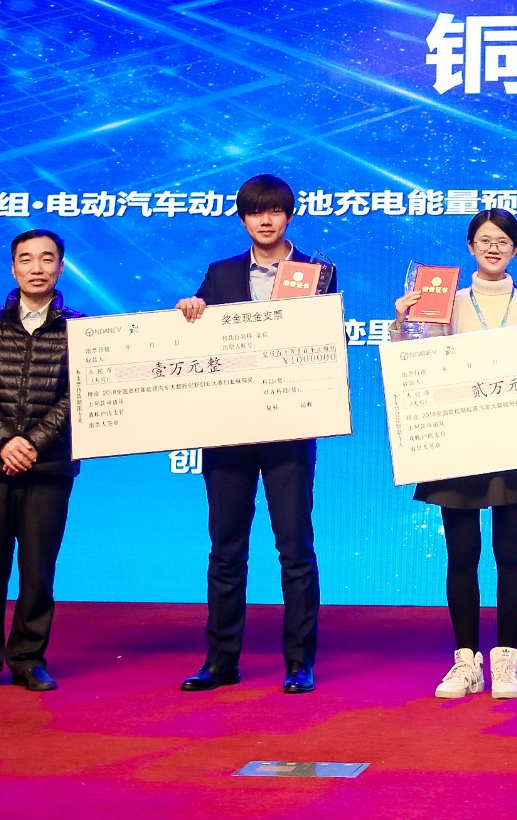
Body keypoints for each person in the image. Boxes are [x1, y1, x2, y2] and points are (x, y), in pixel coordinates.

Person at [173, 174, 336, 695]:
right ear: (243, 219)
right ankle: (220, 661)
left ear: (289, 215)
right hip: (229, 432)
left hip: (289, 429)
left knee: (295, 550)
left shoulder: (317, 272)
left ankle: (300, 663)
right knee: (226, 550)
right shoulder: (219, 274)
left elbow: (325, 344)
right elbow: (196, 341)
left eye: (275, 211)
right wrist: (191, 312)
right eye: (255, 212)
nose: (266, 220)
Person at [392, 207, 517, 700]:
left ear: (516, 249)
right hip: (456, 442)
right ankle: (466, 662)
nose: (493, 248)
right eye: (484, 240)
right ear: (470, 247)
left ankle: (505, 661)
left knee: (510, 554)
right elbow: (413, 363)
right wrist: (403, 321)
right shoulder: (445, 300)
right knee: (461, 555)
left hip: (514, 445)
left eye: (503, 241)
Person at [0, 229, 83, 696]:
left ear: (61, 267)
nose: (37, 268)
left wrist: (33, 444)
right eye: (26, 259)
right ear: (13, 268)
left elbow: (79, 393)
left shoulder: (79, 329)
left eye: (47, 259)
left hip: (49, 469)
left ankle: (28, 660)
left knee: (38, 571)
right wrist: (6, 442)